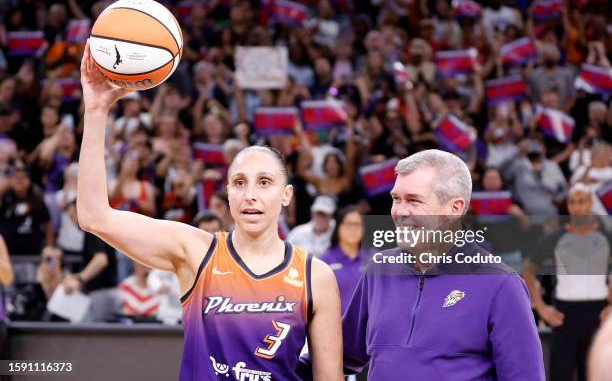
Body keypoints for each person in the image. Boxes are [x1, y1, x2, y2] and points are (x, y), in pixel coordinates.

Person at [76, 40, 342, 380]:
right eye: (240, 183)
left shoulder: (315, 276)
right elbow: (94, 216)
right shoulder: (196, 250)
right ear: (228, 192)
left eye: (264, 183)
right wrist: (96, 111)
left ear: (287, 195)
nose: (251, 195)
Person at [303, 149, 545, 380]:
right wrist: (273, 361)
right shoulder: (379, 269)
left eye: (414, 201)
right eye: (396, 199)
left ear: (455, 208)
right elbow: (336, 357)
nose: (400, 211)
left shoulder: (501, 285)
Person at [523, 183, 611, 381]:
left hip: (597, 314)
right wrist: (541, 307)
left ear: (590, 203)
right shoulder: (555, 238)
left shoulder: (606, 237)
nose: (577, 206)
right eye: (572, 202)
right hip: (564, 315)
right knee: (560, 374)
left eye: (581, 201)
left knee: (595, 374)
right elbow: (528, 269)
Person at [320, 205, 364, 313]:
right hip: (336, 326)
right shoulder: (324, 261)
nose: (353, 229)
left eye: (357, 224)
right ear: (338, 226)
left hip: (369, 327)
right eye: (349, 224)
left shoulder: (375, 258)